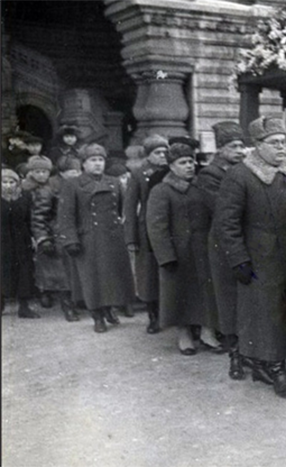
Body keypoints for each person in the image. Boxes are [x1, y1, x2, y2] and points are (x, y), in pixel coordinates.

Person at [213, 116, 286, 399]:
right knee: (269, 314)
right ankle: (276, 369)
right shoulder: (240, 175)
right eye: (274, 143)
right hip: (260, 256)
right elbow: (226, 223)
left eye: (284, 142)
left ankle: (265, 363)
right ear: (257, 145)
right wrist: (238, 259)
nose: (281, 147)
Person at [146, 140, 221, 356]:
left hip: (203, 250)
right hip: (177, 253)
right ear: (171, 166)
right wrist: (165, 256)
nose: (189, 166)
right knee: (179, 293)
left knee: (206, 292)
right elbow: (156, 226)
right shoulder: (162, 191)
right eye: (182, 163)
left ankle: (208, 333)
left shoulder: (200, 187)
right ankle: (184, 335)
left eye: (190, 161)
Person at [57, 143, 135, 333]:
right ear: (83, 164)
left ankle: (109, 308)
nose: (98, 163)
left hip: (112, 237)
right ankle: (97, 315)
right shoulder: (73, 184)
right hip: (88, 239)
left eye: (101, 160)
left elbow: (121, 210)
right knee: (92, 280)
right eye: (93, 160)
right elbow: (66, 215)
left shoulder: (114, 182)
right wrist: (70, 239)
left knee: (112, 278)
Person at [195, 121, 248, 379]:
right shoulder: (210, 175)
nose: (240, 151)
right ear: (221, 149)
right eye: (233, 146)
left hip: (242, 238)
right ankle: (235, 352)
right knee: (228, 296)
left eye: (242, 146)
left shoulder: (243, 169)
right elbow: (221, 209)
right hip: (222, 241)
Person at [124, 134, 169, 333]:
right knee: (149, 275)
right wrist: (131, 238)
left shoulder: (171, 170)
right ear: (148, 155)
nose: (162, 156)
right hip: (147, 229)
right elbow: (130, 207)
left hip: (169, 226)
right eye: (157, 152)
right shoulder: (138, 174)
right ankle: (153, 316)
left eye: (165, 152)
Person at [23, 155, 77, 320]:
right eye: (71, 171)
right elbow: (39, 217)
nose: (75, 174)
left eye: (77, 171)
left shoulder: (78, 185)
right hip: (57, 233)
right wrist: (43, 238)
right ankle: (66, 305)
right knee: (62, 273)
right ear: (62, 172)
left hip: (76, 231)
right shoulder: (49, 189)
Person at [1, 168, 38, 318]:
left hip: (21, 239)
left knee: (24, 271)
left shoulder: (25, 197)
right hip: (2, 239)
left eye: (12, 182)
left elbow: (29, 218)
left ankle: (24, 306)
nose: (8, 185)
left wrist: (33, 237)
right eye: (4, 182)